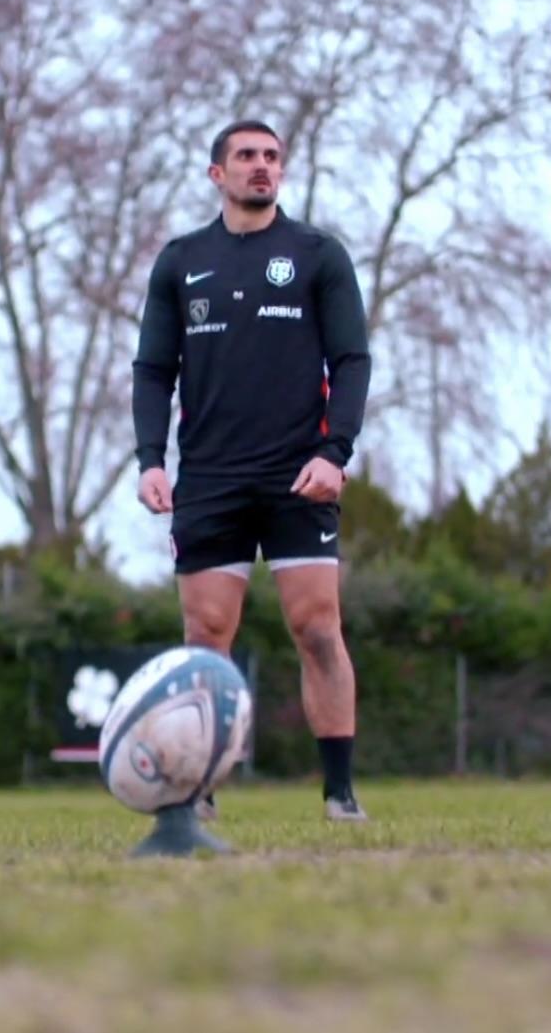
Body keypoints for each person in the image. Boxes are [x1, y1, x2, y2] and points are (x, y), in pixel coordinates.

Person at [131, 119, 373, 822]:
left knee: (317, 628)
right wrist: (151, 460)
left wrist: (335, 451)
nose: (260, 167)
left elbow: (351, 360)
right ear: (217, 174)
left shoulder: (317, 255)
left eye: (271, 156)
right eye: (245, 157)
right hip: (208, 478)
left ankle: (339, 793)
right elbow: (152, 370)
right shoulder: (180, 262)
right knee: (206, 636)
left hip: (298, 474)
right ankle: (197, 789)